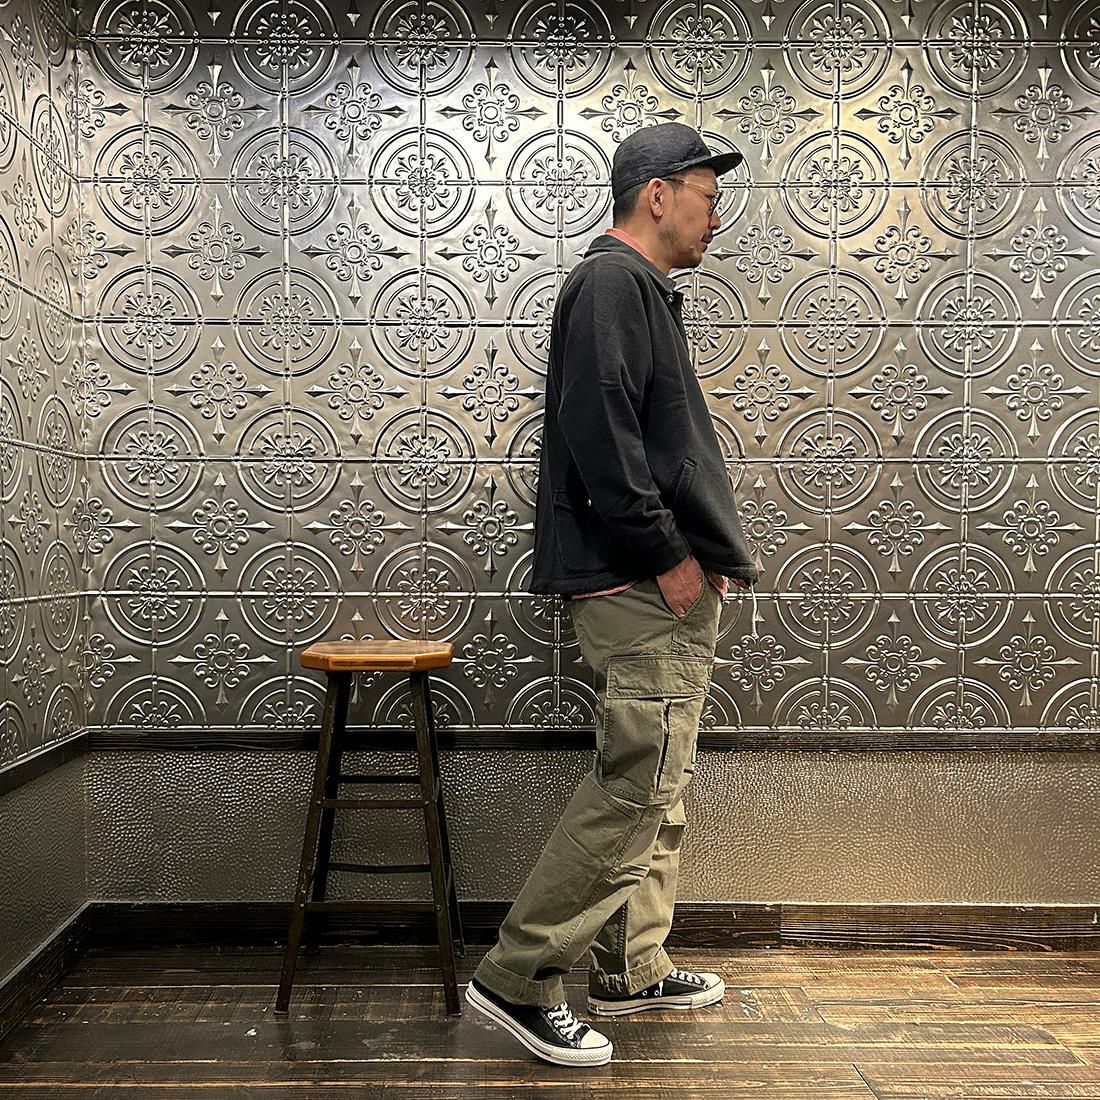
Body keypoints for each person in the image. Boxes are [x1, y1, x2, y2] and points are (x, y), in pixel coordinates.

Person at [464, 122, 760, 1067]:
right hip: (640, 582)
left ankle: (630, 967)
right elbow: (602, 434)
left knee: (658, 785)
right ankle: (516, 978)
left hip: (656, 578)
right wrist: (669, 555)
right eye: (708, 197)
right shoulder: (611, 283)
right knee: (638, 782)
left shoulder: (640, 290)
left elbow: (653, 441)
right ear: (658, 195)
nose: (717, 216)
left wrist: (698, 550)